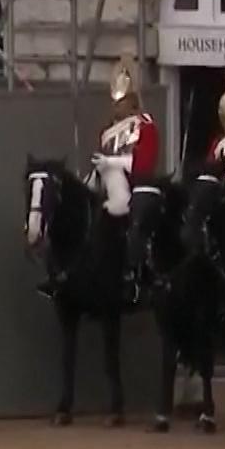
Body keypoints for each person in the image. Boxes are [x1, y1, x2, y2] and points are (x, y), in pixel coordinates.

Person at [89, 60, 161, 302]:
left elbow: (143, 163)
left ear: (132, 101)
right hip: (108, 183)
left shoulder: (145, 126)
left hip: (137, 184)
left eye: (122, 101)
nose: (117, 107)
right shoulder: (106, 131)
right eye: (115, 101)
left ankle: (135, 273)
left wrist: (111, 164)